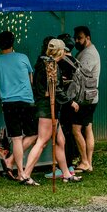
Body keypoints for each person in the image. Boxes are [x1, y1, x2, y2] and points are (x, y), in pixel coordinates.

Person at [20, 38, 82, 185]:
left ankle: (66, 174)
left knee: (60, 141)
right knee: (42, 141)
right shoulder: (50, 65)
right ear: (60, 51)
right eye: (64, 51)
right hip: (47, 108)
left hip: (48, 106)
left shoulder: (44, 63)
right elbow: (54, 89)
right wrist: (69, 101)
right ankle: (26, 175)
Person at [0, 31, 38, 181]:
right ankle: (14, 166)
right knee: (34, 134)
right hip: (26, 100)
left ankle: (16, 168)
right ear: (13, 42)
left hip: (8, 103)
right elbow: (31, 80)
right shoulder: (23, 57)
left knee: (16, 138)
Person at [44, 33, 79, 179]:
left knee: (59, 137)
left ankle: (64, 167)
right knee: (65, 135)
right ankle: (68, 168)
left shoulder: (59, 63)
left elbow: (55, 88)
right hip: (68, 101)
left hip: (62, 103)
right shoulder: (74, 61)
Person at [72, 26, 101, 173]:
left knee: (76, 129)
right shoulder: (87, 52)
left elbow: (80, 76)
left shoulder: (88, 54)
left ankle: (84, 161)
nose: (77, 40)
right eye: (76, 37)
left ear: (88, 38)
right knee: (88, 128)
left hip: (84, 99)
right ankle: (89, 162)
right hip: (91, 97)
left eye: (80, 37)